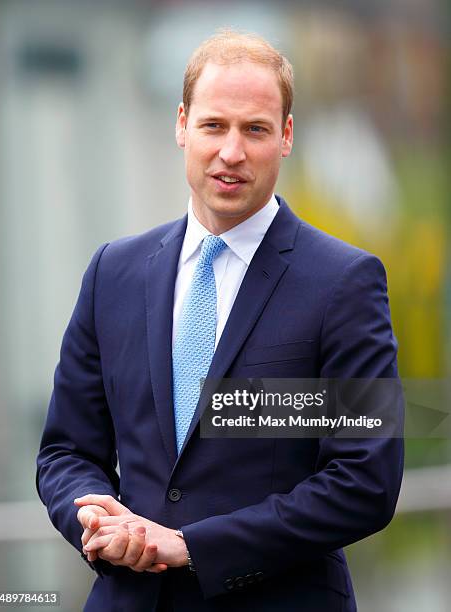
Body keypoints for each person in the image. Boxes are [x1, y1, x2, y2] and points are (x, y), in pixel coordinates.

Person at [36, 30, 403, 612]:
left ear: (285, 136)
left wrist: (192, 546)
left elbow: (365, 482)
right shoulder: (114, 273)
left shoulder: (344, 283)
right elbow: (66, 452)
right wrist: (95, 515)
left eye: (254, 129)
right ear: (182, 124)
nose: (231, 151)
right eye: (213, 125)